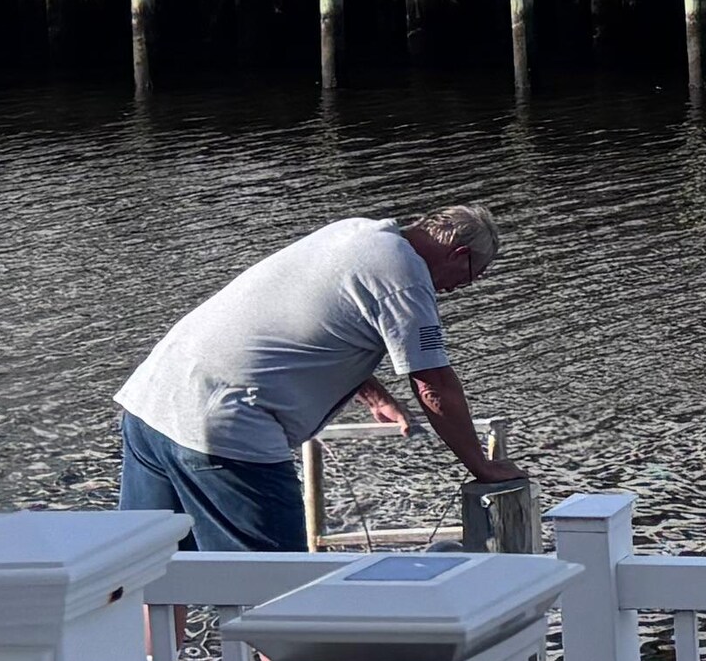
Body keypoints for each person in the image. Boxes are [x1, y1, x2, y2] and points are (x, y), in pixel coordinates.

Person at [115, 205, 502, 553]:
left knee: (150, 572)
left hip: (152, 401)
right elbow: (433, 383)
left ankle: (159, 638)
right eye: (470, 277)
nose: (456, 289)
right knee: (274, 590)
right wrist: (482, 467)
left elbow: (314, 325)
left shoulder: (357, 233)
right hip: (223, 429)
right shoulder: (407, 278)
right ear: (460, 255)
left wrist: (373, 394)